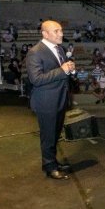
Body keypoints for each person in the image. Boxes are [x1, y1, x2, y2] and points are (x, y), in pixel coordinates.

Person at [26, 20, 75, 180]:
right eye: (56, 31)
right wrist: (62, 70)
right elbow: (36, 79)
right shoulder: (35, 52)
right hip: (46, 102)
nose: (61, 34)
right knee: (48, 136)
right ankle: (49, 167)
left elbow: (62, 71)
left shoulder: (59, 48)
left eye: (61, 30)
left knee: (55, 134)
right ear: (45, 34)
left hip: (60, 99)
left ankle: (53, 162)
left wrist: (69, 70)